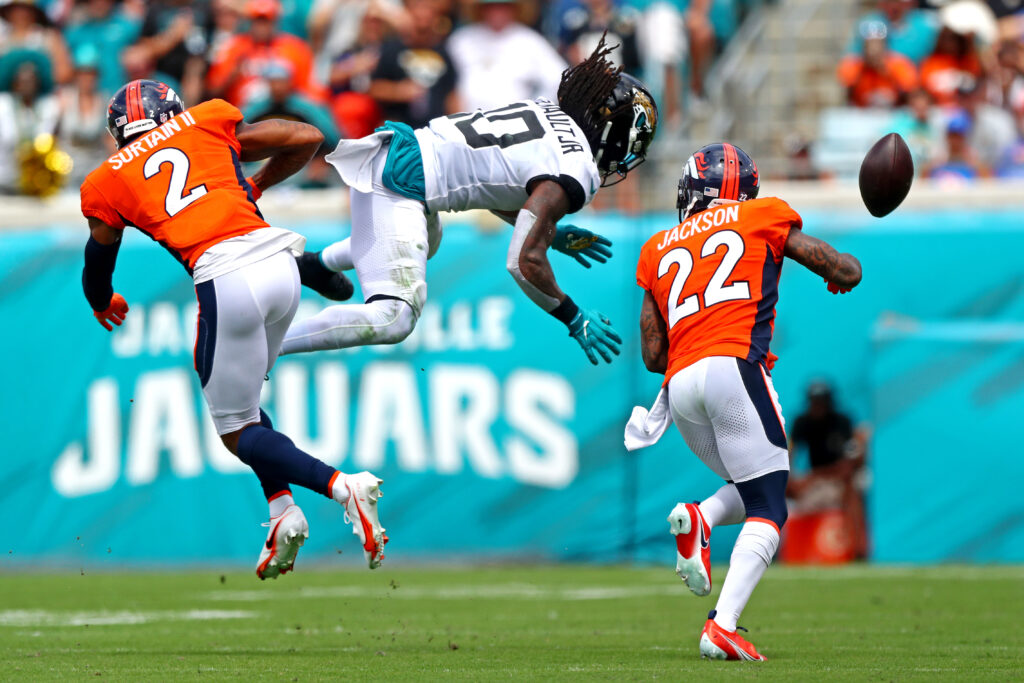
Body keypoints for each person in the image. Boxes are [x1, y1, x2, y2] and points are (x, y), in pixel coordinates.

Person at [78, 79, 385, 579]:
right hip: (281, 263)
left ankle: (341, 486)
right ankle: (282, 511)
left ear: (118, 132)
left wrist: (101, 300)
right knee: (243, 406)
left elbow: (98, 260)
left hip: (225, 275)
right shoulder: (206, 119)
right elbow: (306, 137)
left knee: (234, 430)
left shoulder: (104, 180)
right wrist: (255, 185)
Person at [281, 37, 657, 366]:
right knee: (394, 317)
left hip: (398, 156)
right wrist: (573, 316)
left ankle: (316, 265)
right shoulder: (575, 170)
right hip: (401, 184)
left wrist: (549, 232)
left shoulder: (547, 110)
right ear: (612, 130)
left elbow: (488, 182)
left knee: (428, 240)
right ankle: (268, 346)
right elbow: (523, 262)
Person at [626, 143, 862, 660]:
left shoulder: (658, 245)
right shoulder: (762, 214)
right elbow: (843, 271)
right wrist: (843, 268)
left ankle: (703, 517)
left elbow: (650, 353)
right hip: (733, 365)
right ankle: (722, 626)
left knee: (752, 485)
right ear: (742, 190)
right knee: (772, 503)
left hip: (679, 385)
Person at [787, 381, 869, 561]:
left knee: (854, 487)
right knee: (779, 487)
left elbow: (849, 465)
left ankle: (859, 550)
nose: (818, 406)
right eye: (815, 401)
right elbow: (789, 456)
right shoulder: (802, 422)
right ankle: (780, 551)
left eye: (822, 401)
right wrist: (791, 482)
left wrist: (813, 477)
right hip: (816, 482)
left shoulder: (842, 422)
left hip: (837, 480)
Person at [447, 0, 567, 111]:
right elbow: (445, 81)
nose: (497, 12)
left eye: (503, 7)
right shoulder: (461, 39)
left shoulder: (530, 40)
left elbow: (557, 79)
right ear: (481, 9)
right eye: (491, 7)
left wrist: (534, 110)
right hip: (465, 121)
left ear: (515, 9)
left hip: (514, 125)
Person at [206, 0, 322, 108]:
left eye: (266, 21)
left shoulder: (295, 48)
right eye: (257, 21)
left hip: (285, 111)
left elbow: (309, 92)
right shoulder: (234, 46)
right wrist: (233, 74)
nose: (261, 27)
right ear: (250, 22)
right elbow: (212, 91)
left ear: (275, 21)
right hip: (243, 114)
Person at [367, 0, 460, 129]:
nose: (423, 14)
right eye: (417, 8)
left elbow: (452, 93)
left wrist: (455, 126)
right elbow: (372, 88)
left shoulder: (443, 51)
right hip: (399, 127)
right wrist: (397, 91)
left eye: (428, 9)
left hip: (434, 131)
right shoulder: (392, 49)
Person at [837, 22, 918, 108]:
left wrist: (885, 71)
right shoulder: (854, 65)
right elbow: (846, 90)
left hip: (894, 114)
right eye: (869, 44)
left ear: (885, 45)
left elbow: (910, 91)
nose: (874, 49)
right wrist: (865, 69)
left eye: (877, 43)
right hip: (862, 115)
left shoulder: (900, 65)